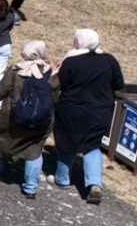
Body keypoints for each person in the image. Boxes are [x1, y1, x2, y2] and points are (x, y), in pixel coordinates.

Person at [50, 28, 123, 204]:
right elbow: (119, 84)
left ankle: (62, 178)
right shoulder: (109, 60)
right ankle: (94, 184)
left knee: (67, 142)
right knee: (93, 146)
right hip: (100, 111)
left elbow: (61, 84)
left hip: (72, 110)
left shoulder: (71, 61)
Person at [0, 40, 58, 196]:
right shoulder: (50, 73)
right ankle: (31, 188)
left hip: (13, 116)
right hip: (41, 120)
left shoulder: (16, 70)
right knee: (34, 150)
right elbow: (56, 98)